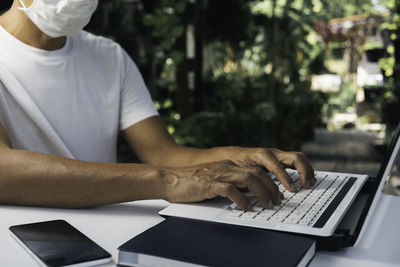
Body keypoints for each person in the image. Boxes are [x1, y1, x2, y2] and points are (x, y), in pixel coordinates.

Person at [0, 0, 316, 211]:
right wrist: (164, 181)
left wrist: (242, 156)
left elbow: (163, 153)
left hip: (109, 233)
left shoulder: (109, 56)